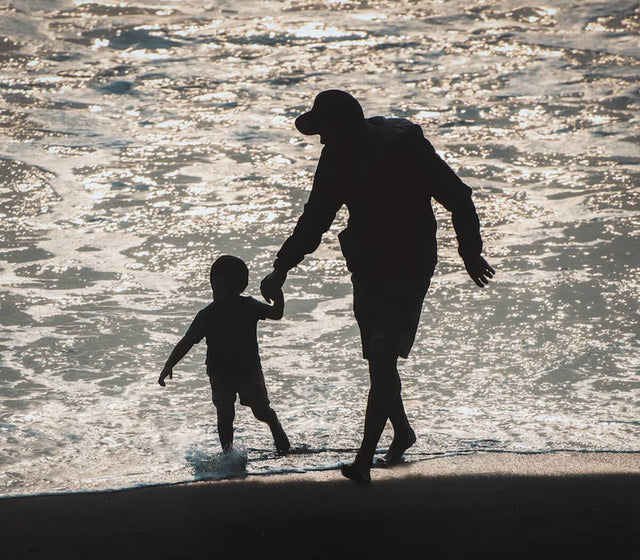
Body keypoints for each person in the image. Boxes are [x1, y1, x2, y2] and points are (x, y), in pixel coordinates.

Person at [260, 90, 494, 483]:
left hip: (410, 263)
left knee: (383, 358)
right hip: (368, 264)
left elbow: (459, 198)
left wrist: (470, 253)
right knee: (378, 359)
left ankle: (365, 459)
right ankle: (401, 432)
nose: (321, 140)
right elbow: (315, 218)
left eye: (326, 131)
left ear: (346, 126)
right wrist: (281, 267)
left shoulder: (405, 145)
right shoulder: (335, 156)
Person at [159, 255, 290, 455]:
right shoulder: (207, 315)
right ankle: (228, 455)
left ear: (241, 287)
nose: (222, 294)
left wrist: (277, 296)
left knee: (261, 411)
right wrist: (169, 364)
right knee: (224, 415)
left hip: (249, 372)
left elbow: (276, 314)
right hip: (219, 373)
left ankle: (276, 428)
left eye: (228, 289)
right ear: (212, 286)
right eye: (217, 288)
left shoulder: (249, 307)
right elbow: (187, 341)